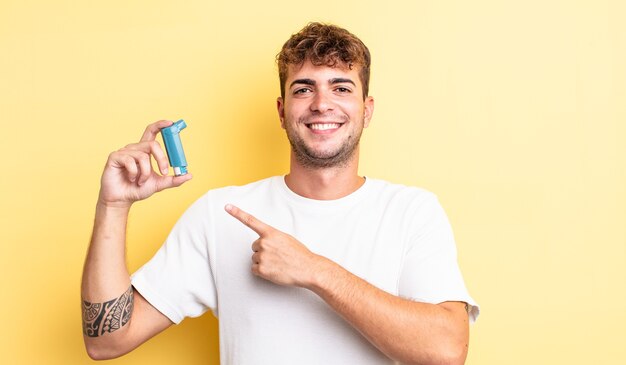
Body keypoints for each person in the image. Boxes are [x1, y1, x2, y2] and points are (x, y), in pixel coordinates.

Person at [81, 22, 479, 364]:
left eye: (341, 88)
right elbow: (106, 341)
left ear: (367, 109)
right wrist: (113, 206)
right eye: (304, 89)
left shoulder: (411, 212)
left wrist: (314, 271)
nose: (322, 104)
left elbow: (446, 351)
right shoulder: (221, 214)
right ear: (281, 109)